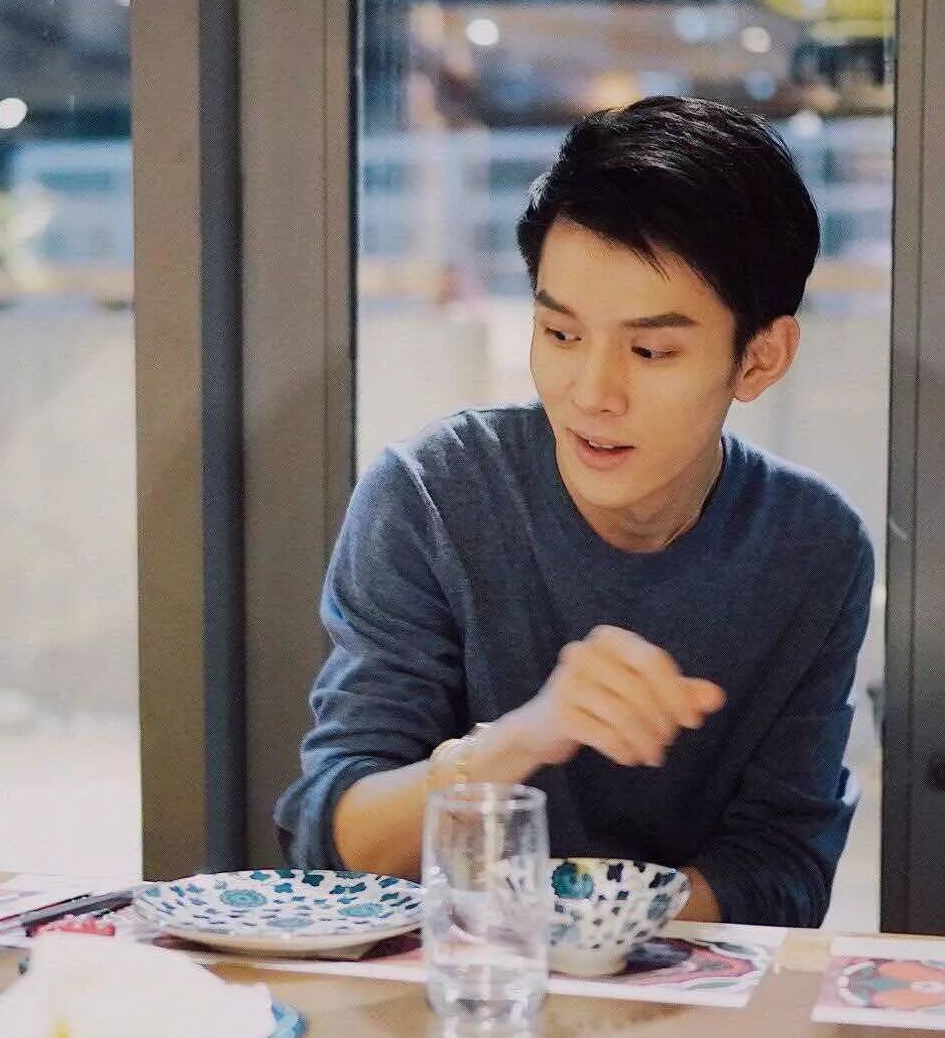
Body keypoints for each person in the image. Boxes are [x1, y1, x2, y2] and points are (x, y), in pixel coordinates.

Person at [275, 96, 874, 927]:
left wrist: (596, 932)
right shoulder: (434, 496)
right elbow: (332, 843)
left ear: (760, 357)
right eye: (560, 335)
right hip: (459, 984)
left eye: (651, 350)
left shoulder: (812, 548)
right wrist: (523, 737)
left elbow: (784, 869)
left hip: (680, 991)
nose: (593, 393)